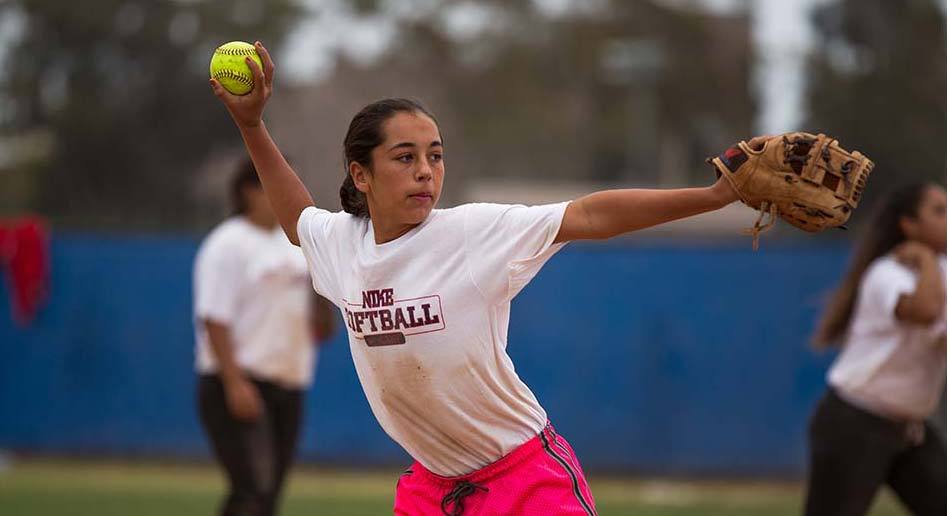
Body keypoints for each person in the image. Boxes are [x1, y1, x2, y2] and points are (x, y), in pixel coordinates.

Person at [210, 41, 746, 515]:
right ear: (360, 173)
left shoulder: (469, 233)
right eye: (405, 156)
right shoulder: (342, 245)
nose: (426, 170)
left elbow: (589, 216)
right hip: (434, 488)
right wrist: (250, 124)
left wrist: (712, 197)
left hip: (523, 479)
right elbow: (296, 218)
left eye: (435, 156)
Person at [193, 158, 337, 516]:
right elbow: (214, 318)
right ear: (248, 191)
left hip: (288, 383)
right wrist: (234, 382)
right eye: (268, 185)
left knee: (267, 496)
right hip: (239, 381)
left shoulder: (295, 245)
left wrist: (321, 300)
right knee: (251, 490)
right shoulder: (227, 243)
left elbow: (322, 321)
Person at [806, 183, 947, 516]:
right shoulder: (886, 273)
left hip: (911, 429)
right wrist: (925, 259)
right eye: (939, 211)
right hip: (854, 422)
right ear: (908, 225)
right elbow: (925, 311)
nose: (949, 218)